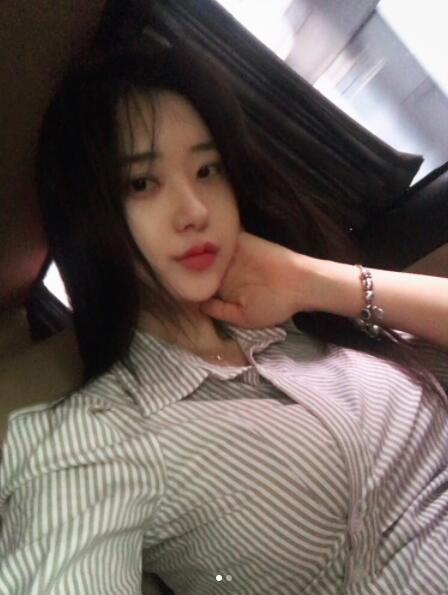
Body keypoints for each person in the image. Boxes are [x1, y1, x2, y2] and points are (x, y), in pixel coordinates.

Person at [0, 40, 447, 595]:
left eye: (208, 169)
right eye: (141, 183)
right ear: (90, 217)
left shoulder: (291, 315)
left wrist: (317, 281)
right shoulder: (102, 439)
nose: (194, 210)